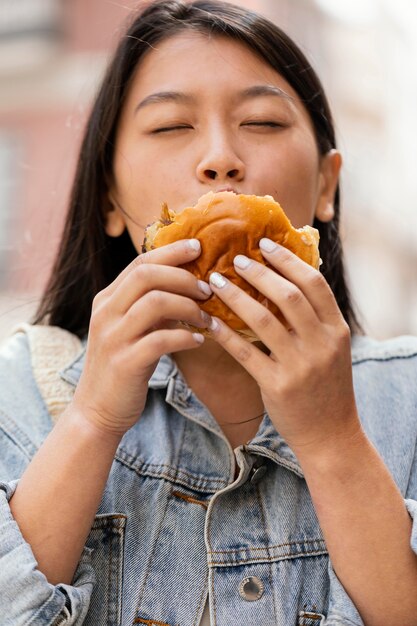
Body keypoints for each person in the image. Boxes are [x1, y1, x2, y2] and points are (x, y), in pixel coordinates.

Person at [0, 1, 416, 624]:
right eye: (170, 126)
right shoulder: (19, 393)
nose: (220, 159)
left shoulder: (406, 395)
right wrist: (90, 420)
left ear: (327, 186)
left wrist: (333, 440)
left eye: (264, 122)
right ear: (109, 196)